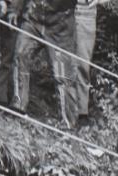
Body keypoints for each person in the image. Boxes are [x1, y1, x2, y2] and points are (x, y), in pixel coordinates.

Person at [9, 0, 77, 128]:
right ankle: (18, 105)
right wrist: (14, 9)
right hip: (34, 18)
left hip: (60, 26)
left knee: (63, 75)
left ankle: (68, 123)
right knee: (21, 54)